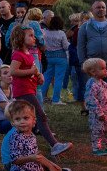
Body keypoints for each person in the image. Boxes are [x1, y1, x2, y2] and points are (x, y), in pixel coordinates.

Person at [9, 27, 72, 158]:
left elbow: (33, 69)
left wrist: (39, 75)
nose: (34, 38)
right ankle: (54, 145)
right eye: (30, 36)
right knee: (40, 116)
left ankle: (25, 145)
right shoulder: (18, 54)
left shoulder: (29, 53)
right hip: (23, 91)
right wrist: (31, 72)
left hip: (30, 89)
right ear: (21, 38)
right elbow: (13, 71)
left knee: (32, 119)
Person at [4, 100, 71, 171]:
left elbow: (36, 156)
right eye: (17, 119)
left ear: (34, 120)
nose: (22, 122)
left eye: (25, 118)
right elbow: (15, 160)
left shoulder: (31, 136)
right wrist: (33, 158)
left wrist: (51, 164)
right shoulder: (15, 137)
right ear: (12, 122)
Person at [77, 0, 107, 88]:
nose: (101, 9)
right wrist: (83, 62)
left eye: (103, 7)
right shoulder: (85, 27)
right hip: (92, 64)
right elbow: (81, 46)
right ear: (92, 10)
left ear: (106, 10)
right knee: (94, 89)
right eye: (98, 7)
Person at [83, 58, 107, 155]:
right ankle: (96, 148)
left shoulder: (104, 84)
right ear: (93, 72)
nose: (106, 70)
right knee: (97, 130)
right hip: (97, 115)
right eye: (102, 68)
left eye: (105, 68)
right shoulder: (92, 84)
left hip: (106, 113)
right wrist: (99, 112)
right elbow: (91, 100)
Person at [39, 15, 70, 105]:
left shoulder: (45, 32)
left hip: (48, 57)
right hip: (60, 58)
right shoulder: (61, 33)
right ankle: (56, 99)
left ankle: (41, 97)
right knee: (58, 79)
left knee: (46, 78)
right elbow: (65, 46)